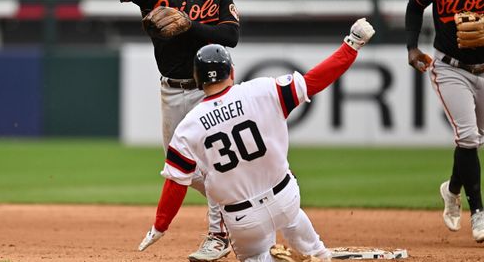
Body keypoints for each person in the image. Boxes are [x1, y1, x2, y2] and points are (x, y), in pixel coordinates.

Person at [137, 18, 375, 261]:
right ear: (231, 71)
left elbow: (176, 184)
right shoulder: (262, 90)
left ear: (198, 80)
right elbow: (315, 80)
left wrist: (160, 226)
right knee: (303, 235)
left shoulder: (188, 127)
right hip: (286, 199)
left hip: (243, 219)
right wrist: (352, 44)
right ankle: (316, 253)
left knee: (256, 258)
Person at [96, 0, 240, 261]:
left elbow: (230, 37)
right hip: (171, 91)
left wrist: (191, 26)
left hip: (211, 90)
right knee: (180, 169)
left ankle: (219, 235)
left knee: (214, 165)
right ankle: (240, 197)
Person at [405, 0, 484, 243]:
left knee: (474, 137)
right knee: (468, 138)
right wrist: (412, 47)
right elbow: (414, 7)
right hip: (450, 67)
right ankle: (478, 212)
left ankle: (451, 190)